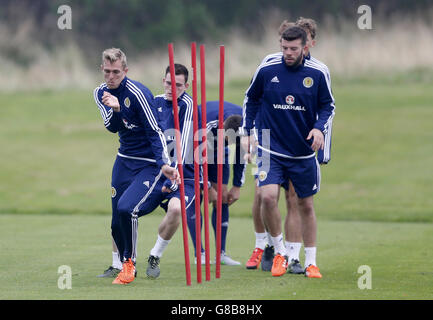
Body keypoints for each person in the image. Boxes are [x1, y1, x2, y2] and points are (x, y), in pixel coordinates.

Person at [241, 26, 335, 278]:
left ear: (305, 47)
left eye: (293, 49)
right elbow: (251, 99)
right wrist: (247, 132)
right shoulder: (268, 67)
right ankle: (280, 251)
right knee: (268, 197)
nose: (288, 53)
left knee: (304, 204)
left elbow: (328, 106)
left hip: (302, 152)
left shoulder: (317, 73)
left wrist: (318, 129)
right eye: (284, 48)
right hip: (269, 147)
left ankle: (310, 261)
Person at [93, 48, 179, 284]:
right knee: (115, 222)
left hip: (149, 162)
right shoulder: (100, 92)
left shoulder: (138, 93)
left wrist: (164, 165)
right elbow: (113, 127)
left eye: (116, 72)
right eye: (107, 71)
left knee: (126, 208)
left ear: (125, 71)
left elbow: (155, 132)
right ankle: (122, 263)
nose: (111, 77)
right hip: (124, 159)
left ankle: (128, 265)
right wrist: (116, 109)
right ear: (102, 69)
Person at [128, 63, 198, 282]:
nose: (172, 88)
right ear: (163, 81)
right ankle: (120, 261)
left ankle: (155, 256)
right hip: (156, 173)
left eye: (178, 85)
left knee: (176, 210)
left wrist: (174, 175)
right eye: (169, 83)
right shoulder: (154, 103)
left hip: (183, 175)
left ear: (186, 85)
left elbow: (182, 143)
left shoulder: (188, 105)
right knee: (125, 208)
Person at [186, 101, 246, 266]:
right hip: (194, 147)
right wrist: (206, 186)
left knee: (223, 197)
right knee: (196, 195)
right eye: (229, 139)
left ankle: (221, 254)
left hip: (219, 150)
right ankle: (200, 253)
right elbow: (195, 157)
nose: (232, 143)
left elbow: (242, 153)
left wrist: (237, 186)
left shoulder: (245, 125)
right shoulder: (206, 124)